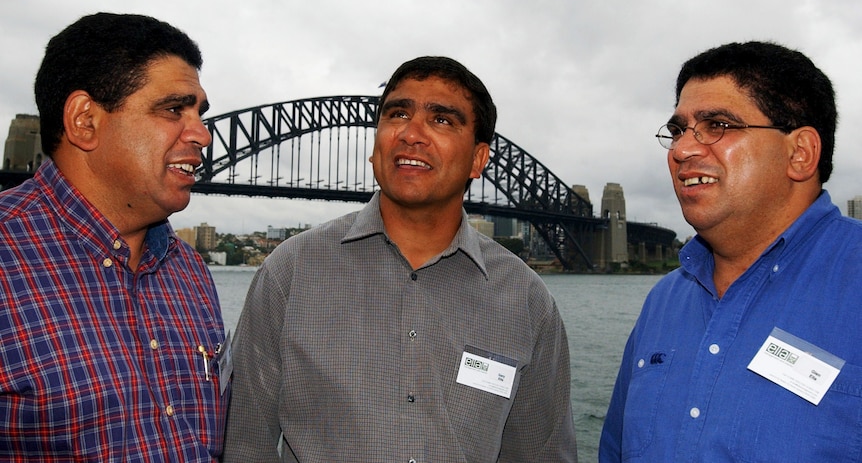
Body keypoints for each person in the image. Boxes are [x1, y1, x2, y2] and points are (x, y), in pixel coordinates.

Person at [222, 56, 578, 462]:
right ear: (376, 144)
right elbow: (245, 444)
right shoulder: (289, 273)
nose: (411, 134)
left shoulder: (528, 302)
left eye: (442, 120)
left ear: (479, 160)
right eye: (397, 114)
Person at [599, 41, 862, 462]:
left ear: (800, 153)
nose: (682, 149)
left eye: (717, 124)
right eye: (678, 130)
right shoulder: (663, 303)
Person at [0, 13, 230, 461]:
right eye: (172, 110)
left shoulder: (191, 272)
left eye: (200, 112)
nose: (202, 133)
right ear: (85, 121)